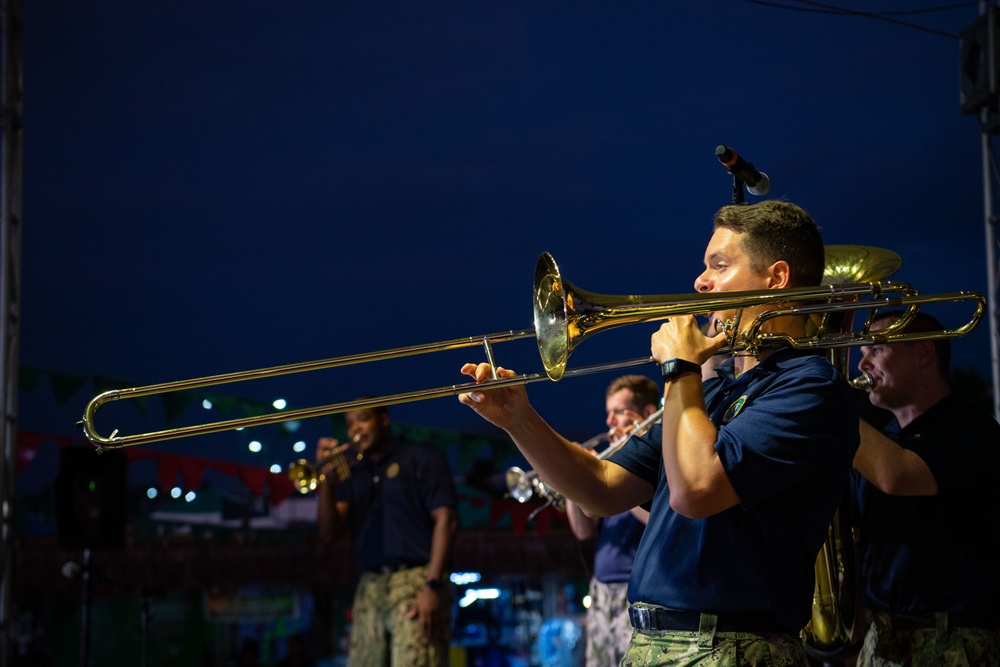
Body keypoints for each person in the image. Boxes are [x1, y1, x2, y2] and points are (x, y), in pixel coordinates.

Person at [459, 199, 860, 666]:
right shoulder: (711, 395)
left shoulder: (811, 386)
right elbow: (600, 489)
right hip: (654, 643)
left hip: (733, 647)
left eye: (720, 265)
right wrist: (519, 421)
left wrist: (680, 368)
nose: (700, 282)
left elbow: (696, 490)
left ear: (777, 278)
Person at [851, 310, 1000, 666]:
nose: (863, 365)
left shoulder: (970, 427)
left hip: (951, 639)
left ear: (923, 354)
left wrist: (821, 400)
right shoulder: (883, 439)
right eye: (862, 353)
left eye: (878, 350)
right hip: (881, 637)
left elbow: (898, 477)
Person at [315, 404, 458, 666]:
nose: (355, 428)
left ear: (384, 420)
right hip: (370, 584)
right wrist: (325, 481)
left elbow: (446, 521)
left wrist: (433, 585)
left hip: (417, 579)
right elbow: (329, 533)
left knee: (418, 660)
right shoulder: (353, 474)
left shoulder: (420, 457)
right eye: (349, 423)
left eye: (363, 419)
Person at [565, 374, 660, 667]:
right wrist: (575, 481)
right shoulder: (615, 459)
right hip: (601, 590)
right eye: (608, 412)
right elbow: (583, 531)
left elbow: (656, 518)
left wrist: (620, 467)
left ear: (646, 413)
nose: (609, 421)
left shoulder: (659, 455)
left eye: (618, 411)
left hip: (637, 594)